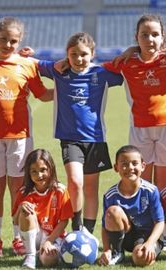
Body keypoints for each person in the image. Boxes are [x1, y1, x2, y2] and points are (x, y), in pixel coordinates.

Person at [0, 16, 53, 257]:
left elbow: (42, 94)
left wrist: (67, 91)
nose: (7, 44)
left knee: (18, 188)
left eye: (13, 41)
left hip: (20, 136)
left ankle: (18, 237)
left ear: (20, 42)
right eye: (3, 39)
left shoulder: (27, 64)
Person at [36, 32, 123, 234]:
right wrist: (29, 54)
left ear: (92, 53)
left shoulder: (101, 74)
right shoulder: (59, 71)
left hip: (95, 138)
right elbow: (33, 64)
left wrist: (129, 52)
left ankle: (87, 234)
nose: (78, 59)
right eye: (73, 54)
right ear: (67, 54)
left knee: (91, 188)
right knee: (75, 182)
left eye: (83, 54)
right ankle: (76, 226)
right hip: (70, 139)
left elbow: (127, 71)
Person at [103, 13, 166, 191]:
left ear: (162, 37)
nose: (150, 39)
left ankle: (162, 218)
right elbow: (90, 69)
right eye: (144, 35)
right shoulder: (126, 62)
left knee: (163, 184)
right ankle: (145, 218)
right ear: (136, 37)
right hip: (139, 128)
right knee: (143, 182)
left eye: (155, 34)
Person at [100, 145, 165, 267]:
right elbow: (105, 226)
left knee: (141, 259)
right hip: (126, 236)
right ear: (116, 167)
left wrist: (150, 243)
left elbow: (160, 222)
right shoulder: (110, 195)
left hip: (147, 236)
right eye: (124, 164)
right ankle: (117, 252)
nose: (130, 168)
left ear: (143, 166)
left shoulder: (150, 191)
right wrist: (106, 249)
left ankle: (148, 250)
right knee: (113, 211)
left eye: (135, 163)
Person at [12, 149, 74, 269]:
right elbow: (15, 221)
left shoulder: (60, 190)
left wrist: (49, 241)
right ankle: (30, 255)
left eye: (43, 170)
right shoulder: (24, 192)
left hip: (54, 236)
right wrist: (20, 207)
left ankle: (40, 255)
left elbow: (64, 221)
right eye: (33, 172)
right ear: (28, 174)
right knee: (26, 209)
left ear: (51, 168)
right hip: (34, 235)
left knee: (49, 261)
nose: (39, 175)